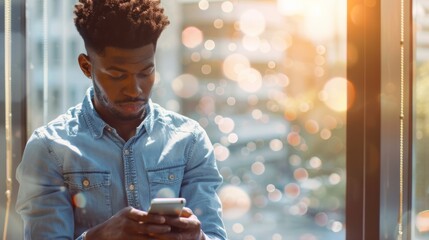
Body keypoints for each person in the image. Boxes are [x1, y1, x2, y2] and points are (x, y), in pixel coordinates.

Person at [15, 0, 227, 239]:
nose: (134, 89)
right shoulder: (50, 148)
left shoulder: (189, 140)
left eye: (146, 72)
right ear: (86, 67)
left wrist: (197, 238)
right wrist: (99, 237)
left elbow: (214, 234)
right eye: (117, 75)